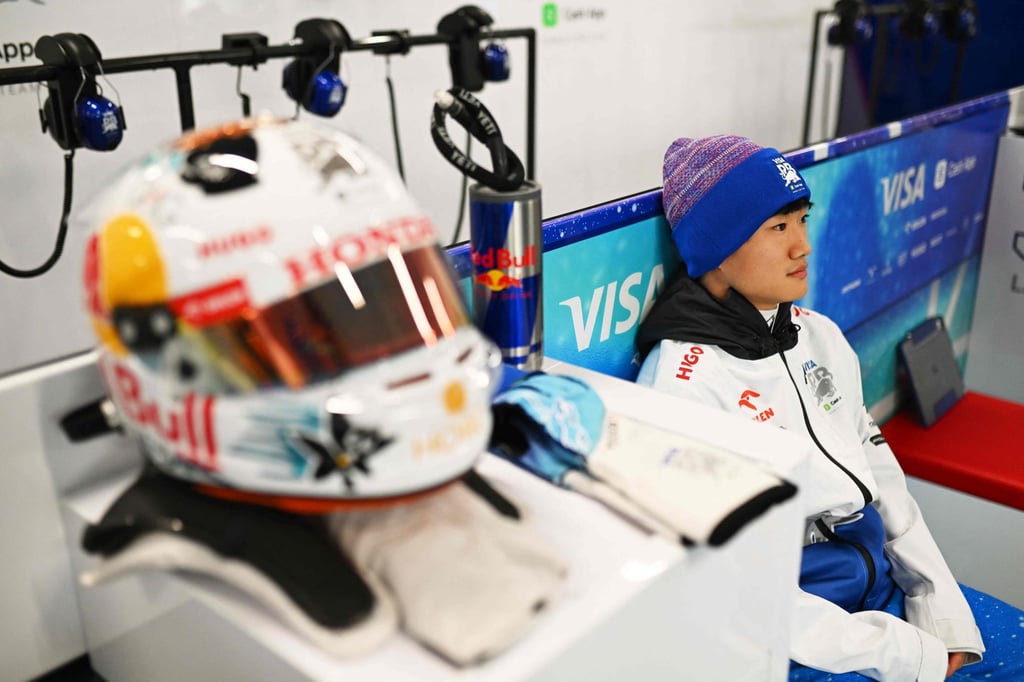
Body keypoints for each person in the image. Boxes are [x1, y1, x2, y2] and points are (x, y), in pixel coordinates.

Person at [634, 135, 1024, 681]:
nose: (802, 246)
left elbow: (879, 474)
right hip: (788, 635)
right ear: (717, 250)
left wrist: (939, 605)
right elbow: (731, 586)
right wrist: (900, 654)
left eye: (802, 219)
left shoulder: (819, 335)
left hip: (873, 589)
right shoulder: (684, 384)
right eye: (777, 227)